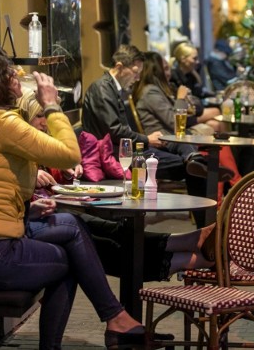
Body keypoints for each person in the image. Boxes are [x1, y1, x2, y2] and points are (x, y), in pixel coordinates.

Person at [0, 44, 171, 349]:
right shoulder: (2, 124)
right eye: (10, 73)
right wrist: (51, 105)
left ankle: (115, 319)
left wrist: (27, 209)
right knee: (68, 258)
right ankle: (112, 319)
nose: (17, 79)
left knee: (69, 223)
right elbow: (68, 153)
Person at [16, 91, 217, 281]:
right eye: (40, 115)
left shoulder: (41, 141)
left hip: (51, 212)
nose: (45, 122)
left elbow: (54, 181)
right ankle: (189, 257)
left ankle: (187, 241)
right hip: (33, 222)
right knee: (97, 239)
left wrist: (67, 170)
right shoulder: (17, 145)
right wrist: (32, 175)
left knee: (110, 229)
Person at [82, 44, 199, 185]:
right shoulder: (102, 89)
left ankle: (198, 171)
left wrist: (145, 140)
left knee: (192, 160)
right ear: (119, 67)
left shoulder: (111, 88)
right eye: (135, 72)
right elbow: (114, 131)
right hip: (114, 154)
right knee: (190, 167)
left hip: (123, 149)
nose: (138, 78)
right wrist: (146, 139)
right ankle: (204, 205)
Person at [131, 51, 240, 188]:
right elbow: (174, 122)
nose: (169, 72)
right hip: (165, 138)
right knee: (210, 139)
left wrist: (185, 100)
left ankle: (226, 179)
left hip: (174, 136)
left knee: (214, 140)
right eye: (165, 68)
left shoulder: (162, 89)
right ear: (155, 71)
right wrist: (180, 99)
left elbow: (196, 107)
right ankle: (231, 181)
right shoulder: (151, 92)